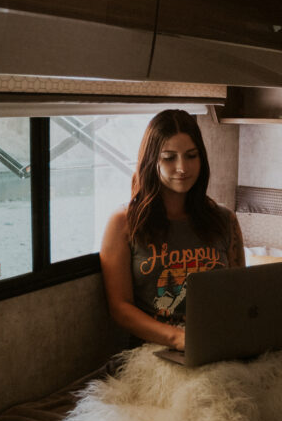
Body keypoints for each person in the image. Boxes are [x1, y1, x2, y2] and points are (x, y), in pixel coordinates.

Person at [100, 109, 245, 352]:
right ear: (151, 161)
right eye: (169, 158)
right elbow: (120, 308)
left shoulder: (225, 220)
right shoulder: (124, 223)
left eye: (191, 156)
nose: (182, 168)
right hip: (156, 351)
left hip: (218, 343)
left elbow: (241, 293)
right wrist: (177, 338)